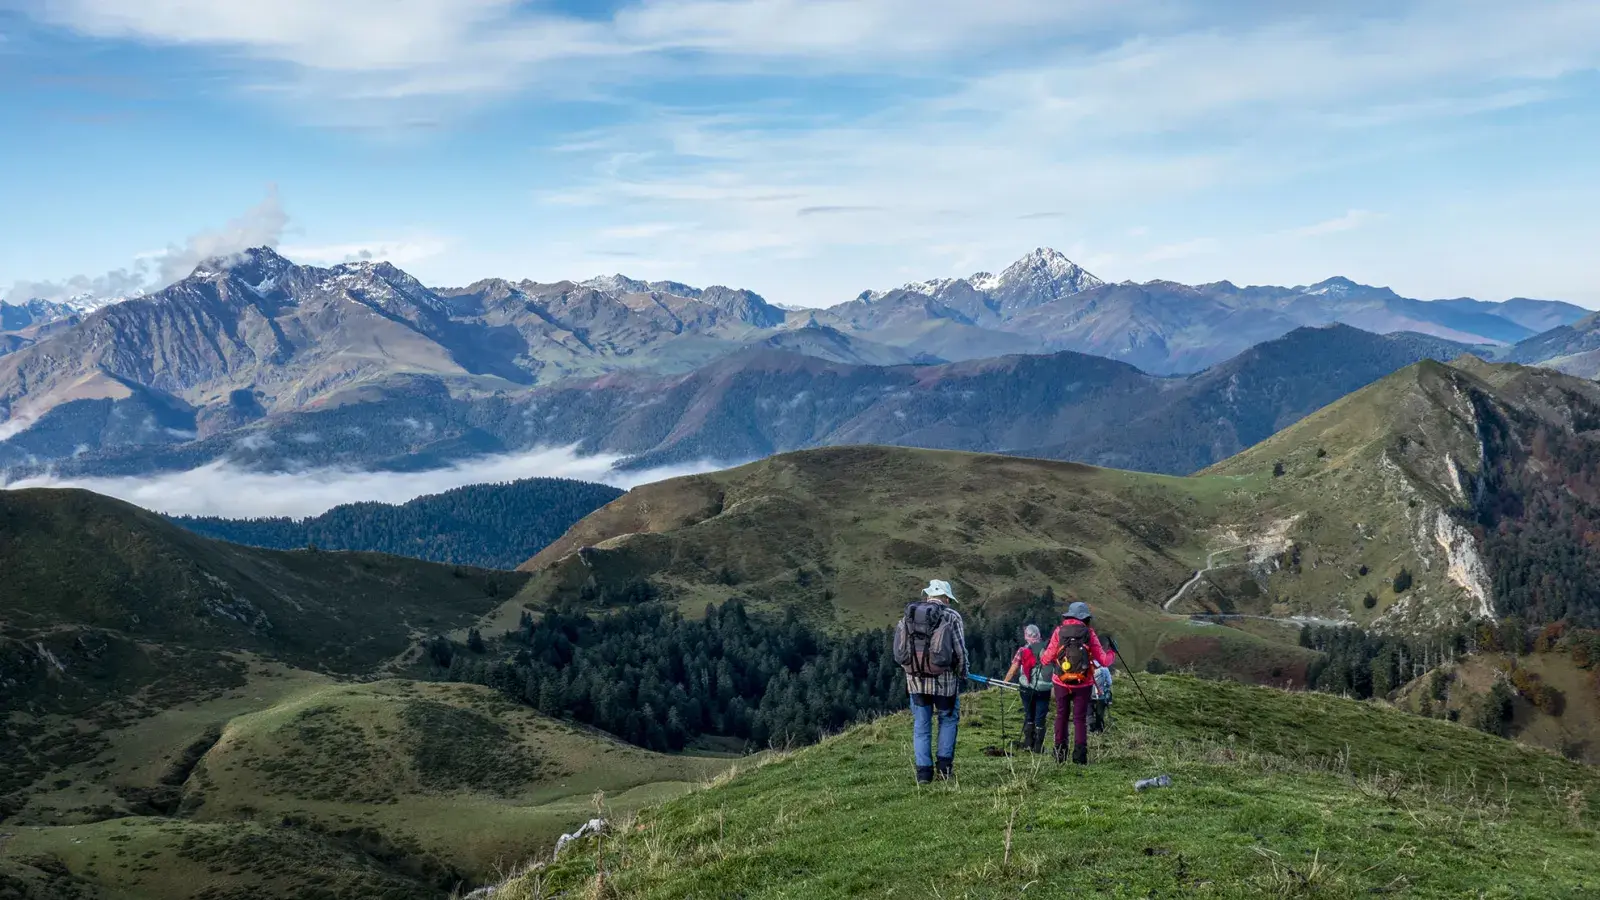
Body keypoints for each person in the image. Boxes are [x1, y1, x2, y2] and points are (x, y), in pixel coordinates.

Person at [894, 579, 969, 784]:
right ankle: (944, 770)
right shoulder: (952, 616)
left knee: (921, 725)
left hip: (916, 680)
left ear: (928, 596)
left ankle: (923, 774)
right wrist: (963, 672)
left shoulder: (909, 615)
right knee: (948, 720)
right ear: (946, 598)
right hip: (945, 681)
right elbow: (960, 650)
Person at [1042, 600, 1115, 765]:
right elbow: (1104, 660)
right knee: (1079, 720)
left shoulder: (1059, 631)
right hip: (1083, 683)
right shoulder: (1089, 633)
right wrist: (1112, 652)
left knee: (1061, 716)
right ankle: (1080, 758)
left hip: (1061, 682)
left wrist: (1045, 658)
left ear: (1069, 616)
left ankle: (1060, 755)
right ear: (1085, 618)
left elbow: (1047, 659)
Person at [1002, 624, 1053, 753]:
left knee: (1029, 714)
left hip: (1026, 688)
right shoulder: (1047, 649)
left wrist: (1005, 682)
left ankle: (1028, 743)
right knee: (1040, 717)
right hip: (1044, 689)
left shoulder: (1022, 650)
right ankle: (1038, 747)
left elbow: (1014, 668)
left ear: (1026, 636)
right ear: (1039, 635)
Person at [1090, 659, 1113, 733]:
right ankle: (1099, 729)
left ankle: (1090, 729)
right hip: (1101, 695)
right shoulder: (1104, 669)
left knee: (1089, 713)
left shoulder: (1086, 668)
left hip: (1088, 695)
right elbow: (1109, 682)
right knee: (1099, 713)